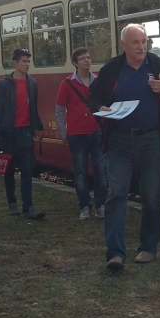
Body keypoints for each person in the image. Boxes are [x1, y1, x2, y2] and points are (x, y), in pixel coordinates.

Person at [89, 23, 160, 271]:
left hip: (151, 140)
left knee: (152, 196)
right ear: (124, 45)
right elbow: (94, 97)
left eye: (144, 41)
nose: (142, 46)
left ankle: (148, 247)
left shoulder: (156, 65)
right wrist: (101, 109)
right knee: (117, 194)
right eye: (136, 42)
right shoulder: (112, 69)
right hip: (119, 141)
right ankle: (115, 253)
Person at [0, 48, 45, 220]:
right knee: (9, 169)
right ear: (15, 63)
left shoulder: (32, 83)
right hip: (8, 132)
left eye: (28, 61)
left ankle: (28, 207)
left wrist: (38, 127)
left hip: (26, 131)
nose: (27, 65)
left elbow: (33, 107)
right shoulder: (4, 83)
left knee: (27, 169)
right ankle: (12, 203)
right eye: (24, 61)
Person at [55, 47, 107, 220]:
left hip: (96, 131)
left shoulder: (98, 81)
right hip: (77, 134)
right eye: (83, 58)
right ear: (75, 63)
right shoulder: (67, 83)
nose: (87, 61)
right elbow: (59, 110)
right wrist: (63, 133)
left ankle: (100, 205)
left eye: (89, 57)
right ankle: (84, 206)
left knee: (101, 171)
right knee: (80, 172)